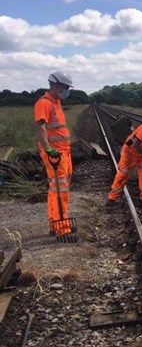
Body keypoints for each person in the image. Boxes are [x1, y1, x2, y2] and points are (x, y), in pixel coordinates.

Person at [34, 71, 75, 241]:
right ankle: (61, 228)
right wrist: (48, 148)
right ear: (56, 85)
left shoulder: (56, 102)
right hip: (55, 153)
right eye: (65, 87)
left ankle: (56, 222)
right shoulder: (43, 103)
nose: (67, 91)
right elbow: (40, 127)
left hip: (64, 152)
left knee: (60, 188)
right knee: (59, 189)